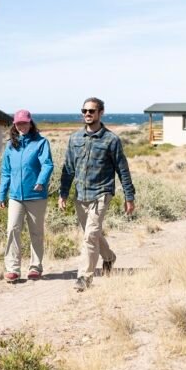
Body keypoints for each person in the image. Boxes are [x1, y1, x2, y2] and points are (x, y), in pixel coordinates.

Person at [59, 97, 135, 292]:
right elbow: (68, 168)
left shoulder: (112, 140)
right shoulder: (75, 138)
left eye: (91, 111)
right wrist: (63, 194)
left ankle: (85, 277)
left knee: (90, 236)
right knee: (92, 234)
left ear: (101, 113)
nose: (87, 114)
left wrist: (129, 196)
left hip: (102, 193)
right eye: (84, 111)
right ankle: (109, 257)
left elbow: (122, 170)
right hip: (81, 195)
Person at [0, 109, 54, 282]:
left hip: (36, 195)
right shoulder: (10, 145)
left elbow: (47, 164)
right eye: (19, 123)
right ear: (15, 124)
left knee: (36, 232)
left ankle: (35, 267)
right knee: (12, 230)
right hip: (15, 196)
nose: (22, 126)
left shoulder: (41, 143)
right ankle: (13, 269)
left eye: (25, 122)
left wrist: (41, 181)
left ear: (31, 123)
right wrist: (1, 195)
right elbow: (6, 171)